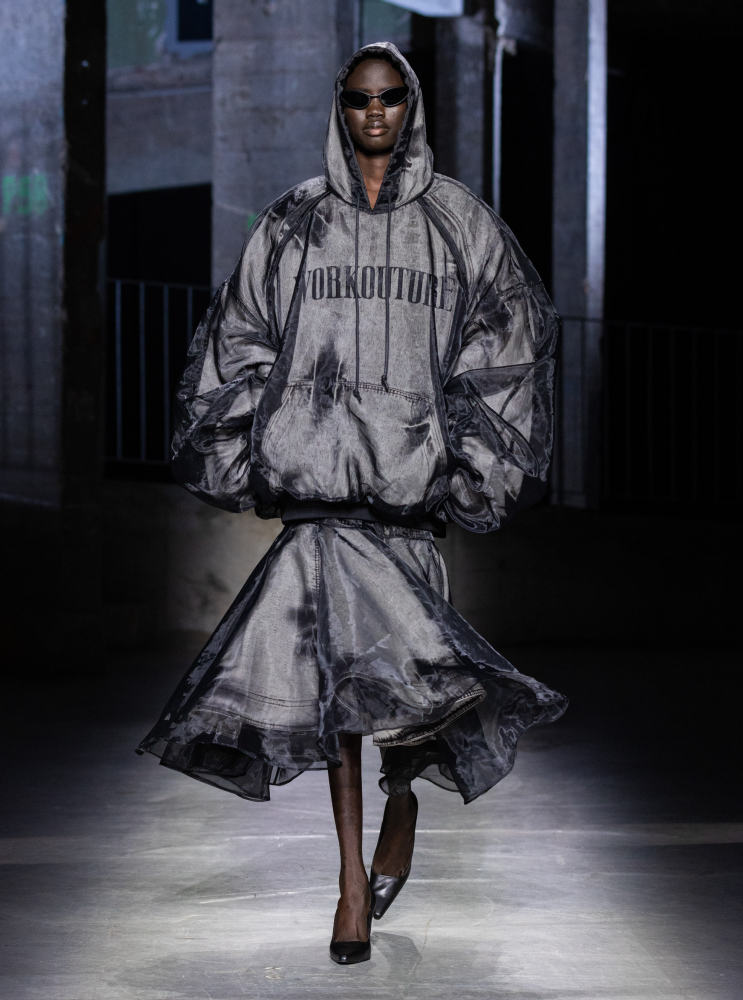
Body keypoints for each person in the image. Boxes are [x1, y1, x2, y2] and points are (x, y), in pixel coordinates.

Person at [137, 43, 567, 965]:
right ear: (341, 106)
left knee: (406, 701)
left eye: (391, 98)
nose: (376, 114)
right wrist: (264, 442)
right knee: (336, 700)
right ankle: (346, 887)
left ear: (411, 105)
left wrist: (463, 457)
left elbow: (514, 340)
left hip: (406, 504)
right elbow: (240, 334)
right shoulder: (294, 222)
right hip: (320, 505)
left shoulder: (461, 225)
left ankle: (402, 795)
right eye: (361, 99)